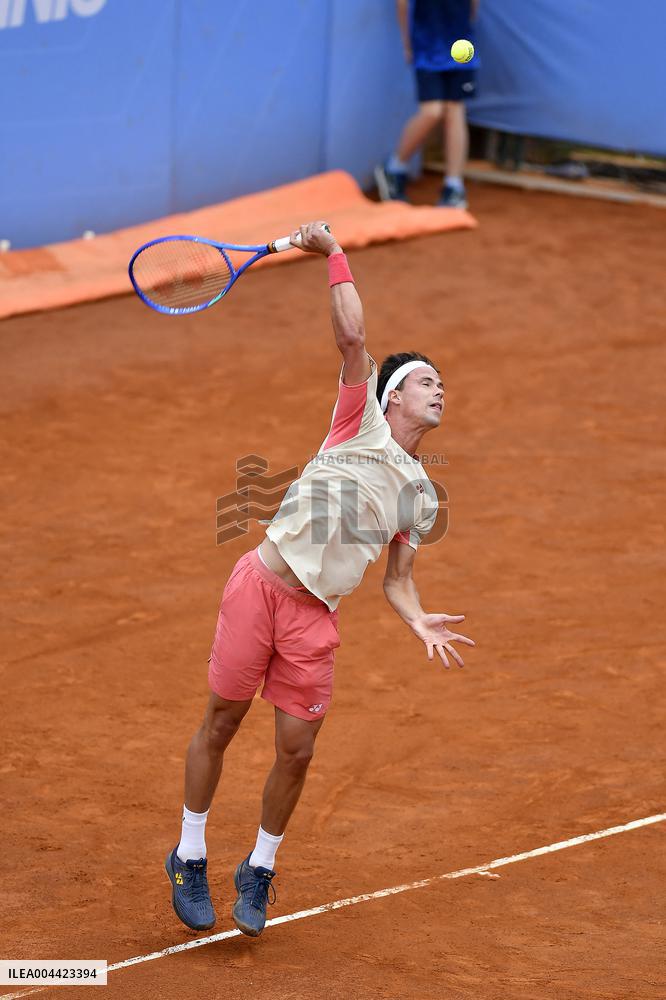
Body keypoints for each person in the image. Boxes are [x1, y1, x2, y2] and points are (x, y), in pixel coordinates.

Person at [165, 222, 475, 938]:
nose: (440, 391)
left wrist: (417, 617)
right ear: (392, 398)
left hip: (315, 617)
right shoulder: (357, 421)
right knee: (221, 722)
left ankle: (259, 867)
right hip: (260, 587)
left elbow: (397, 579)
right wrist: (333, 255)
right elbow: (352, 337)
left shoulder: (422, 496)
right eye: (427, 381)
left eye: (443, 385)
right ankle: (189, 853)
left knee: (297, 750)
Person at [375, 0, 480, 208]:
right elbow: (402, 4)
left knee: (455, 110)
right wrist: (407, 43)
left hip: (462, 48)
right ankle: (394, 167)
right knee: (432, 111)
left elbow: (473, 6)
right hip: (427, 50)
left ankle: (454, 186)